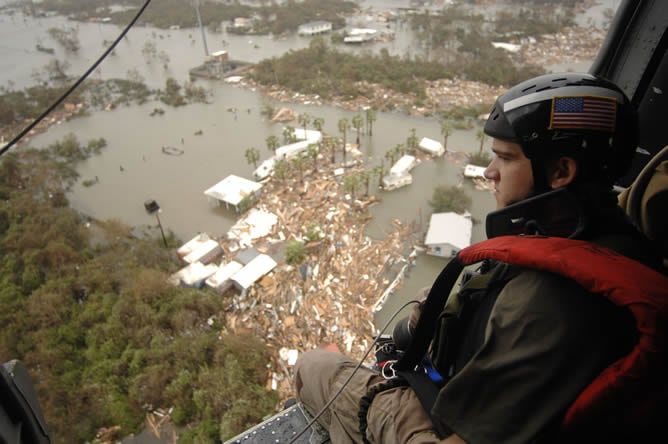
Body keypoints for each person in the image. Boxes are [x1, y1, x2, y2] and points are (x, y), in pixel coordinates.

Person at [294, 72, 663, 444]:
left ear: (561, 172)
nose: (489, 172)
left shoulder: (545, 305)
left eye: (505, 158)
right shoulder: (616, 235)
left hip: (443, 430)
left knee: (313, 366)